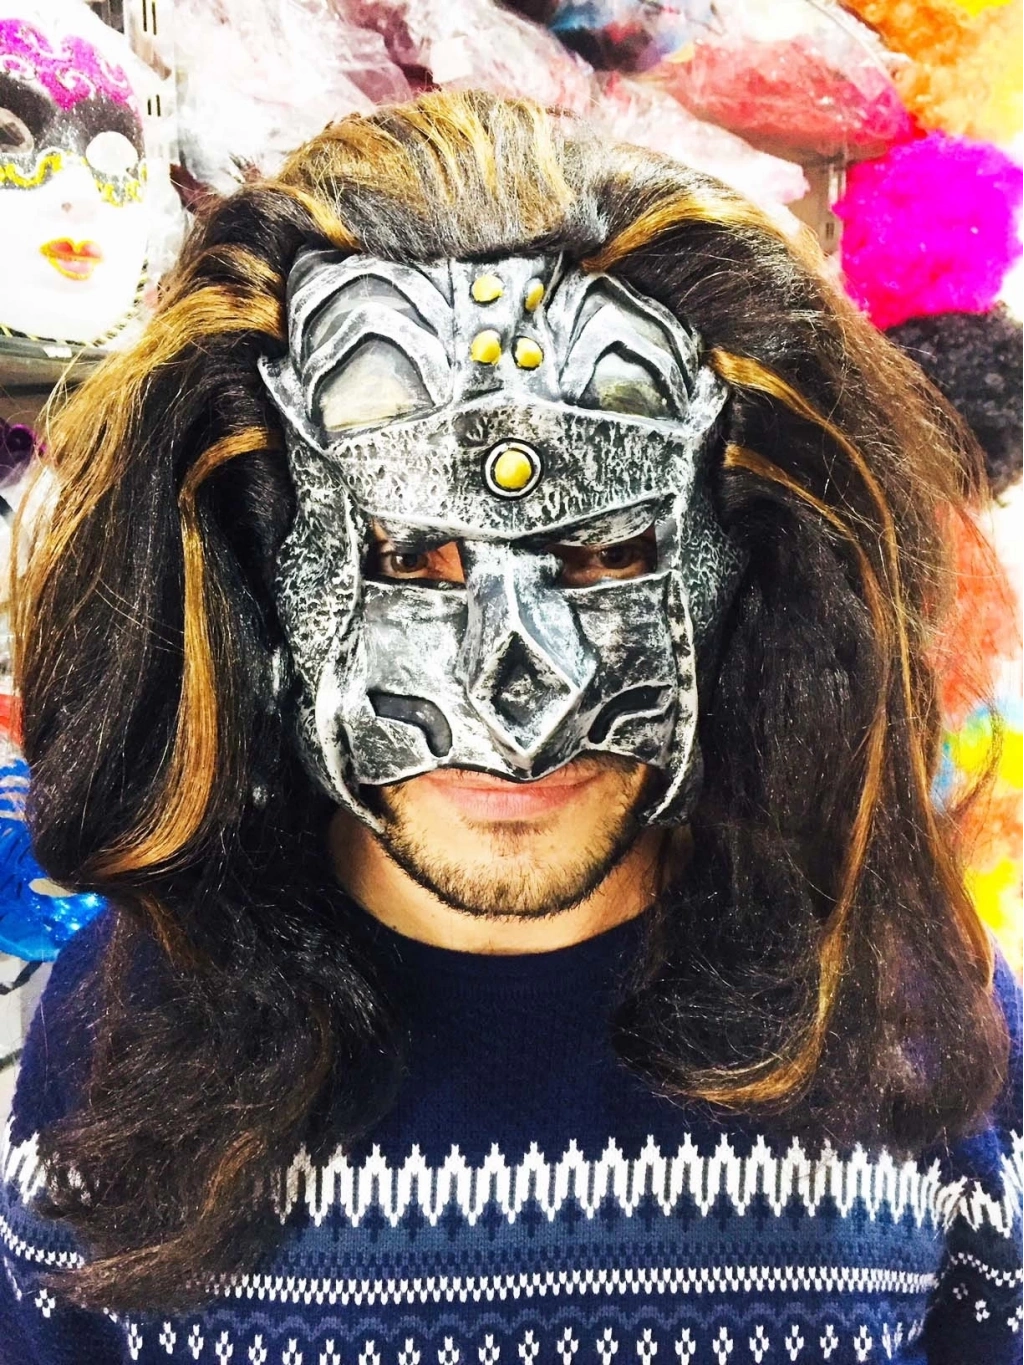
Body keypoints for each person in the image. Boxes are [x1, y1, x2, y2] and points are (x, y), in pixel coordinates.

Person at [1, 90, 1021, 1365]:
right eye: (410, 560)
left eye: (604, 555)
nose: (513, 697)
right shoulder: (122, 1022)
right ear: (258, 555)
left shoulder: (912, 1006)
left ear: (745, 563)